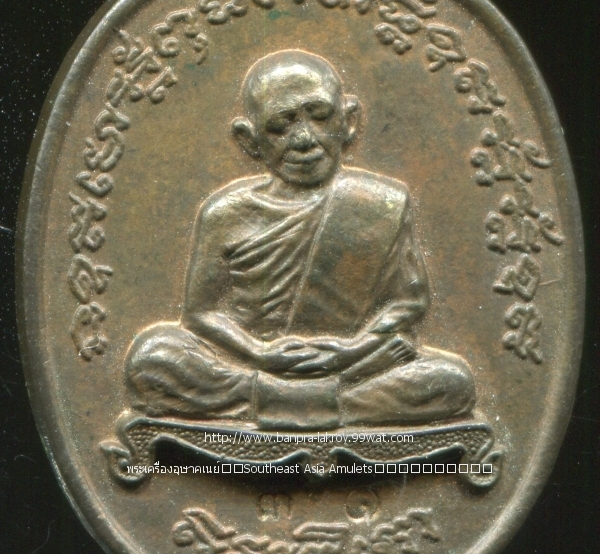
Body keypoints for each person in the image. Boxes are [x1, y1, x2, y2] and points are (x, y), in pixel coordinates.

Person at [126, 50, 476, 429]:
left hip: (352, 366)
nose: (305, 139)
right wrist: (260, 353)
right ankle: (329, 405)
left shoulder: (382, 203)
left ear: (349, 121)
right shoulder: (225, 213)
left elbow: (409, 302)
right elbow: (200, 314)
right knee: (153, 358)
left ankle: (275, 404)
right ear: (249, 140)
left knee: (451, 381)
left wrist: (352, 350)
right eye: (280, 126)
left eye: (320, 116)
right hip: (252, 366)